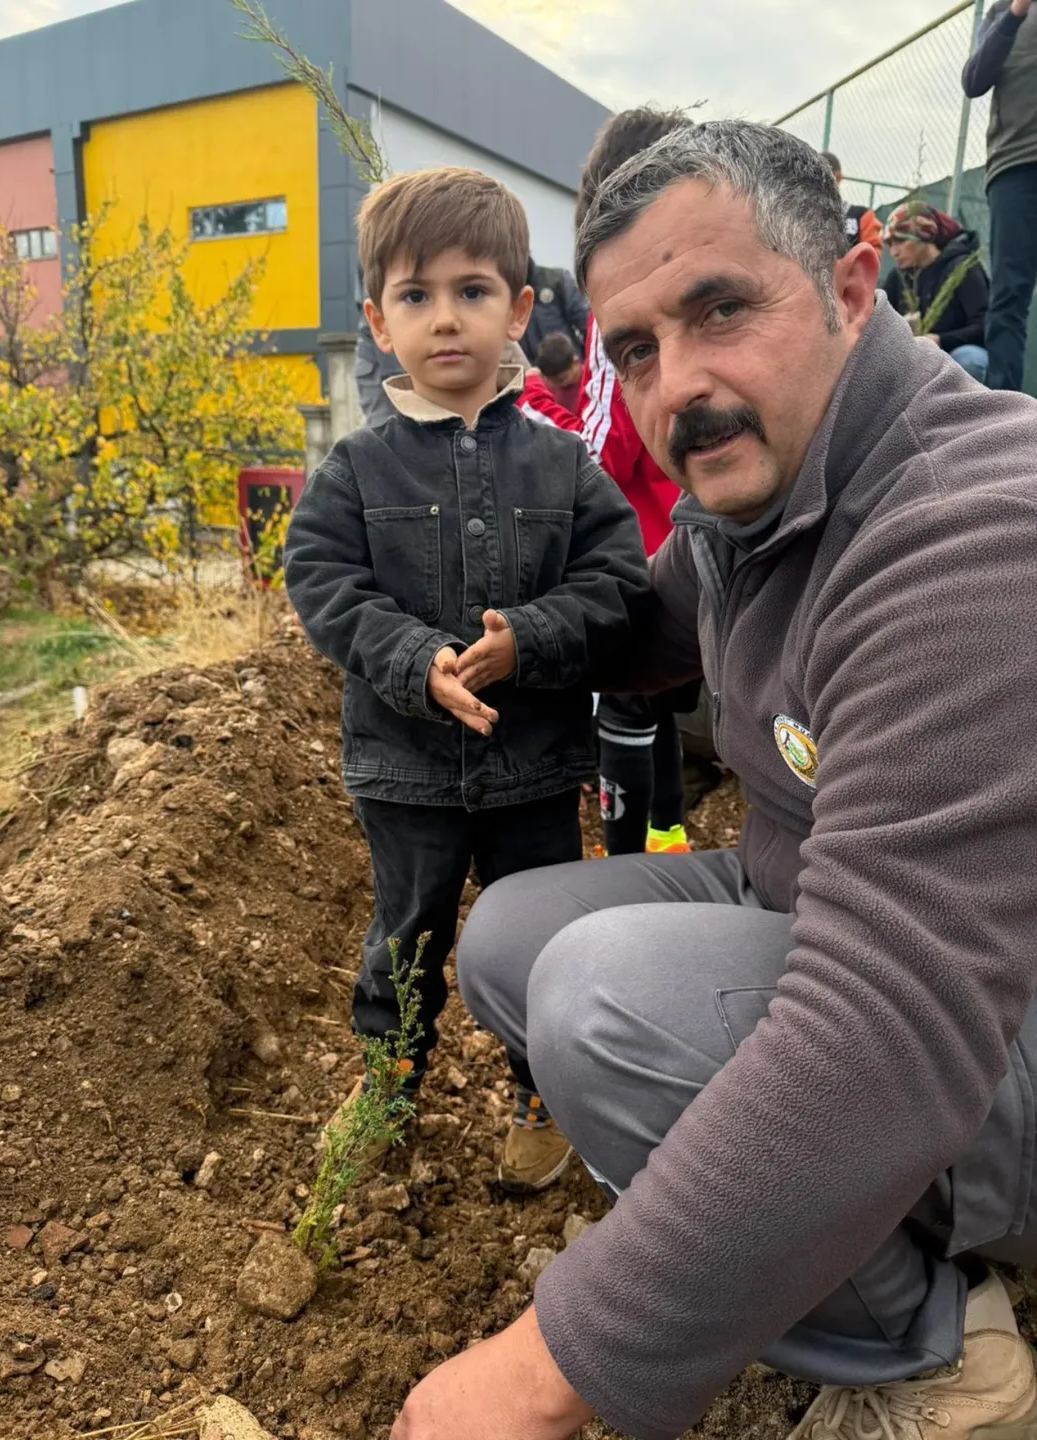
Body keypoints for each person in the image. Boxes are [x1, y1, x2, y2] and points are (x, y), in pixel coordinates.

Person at [390, 121, 1037, 1440]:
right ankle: (780, 1227)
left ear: (855, 284)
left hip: (976, 1025)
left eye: (720, 309)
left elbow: (889, 1025)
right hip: (854, 929)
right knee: (516, 942)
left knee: (602, 1006)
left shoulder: (967, 532)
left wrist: (539, 1374)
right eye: (636, 349)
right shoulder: (777, 478)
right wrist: (519, 641)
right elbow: (661, 623)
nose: (678, 384)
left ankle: (940, 1358)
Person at [284, 166, 648, 1196]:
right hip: (403, 774)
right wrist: (413, 659)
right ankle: (389, 1088)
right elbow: (320, 582)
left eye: (473, 291)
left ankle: (542, 1094)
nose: (446, 319)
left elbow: (616, 581)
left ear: (522, 311)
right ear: (378, 319)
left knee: (536, 942)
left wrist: (530, 637)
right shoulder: (356, 472)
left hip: (532, 768)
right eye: (416, 295)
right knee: (407, 937)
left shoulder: (565, 468)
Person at [520, 105, 698, 857]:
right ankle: (668, 834)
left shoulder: (621, 308)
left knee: (628, 700)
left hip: (648, 550)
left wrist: (522, 395)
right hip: (685, 536)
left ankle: (635, 864)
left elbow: (597, 449)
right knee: (657, 709)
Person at [962, 0, 1037, 391]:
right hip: (1014, 166)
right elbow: (974, 80)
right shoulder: (1001, 13)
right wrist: (1016, 12)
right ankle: (1007, 425)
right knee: (1009, 295)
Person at [883, 201, 991, 383]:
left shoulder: (963, 268)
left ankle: (964, 410)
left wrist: (941, 340)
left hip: (954, 354)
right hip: (912, 357)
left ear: (925, 236)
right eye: (890, 244)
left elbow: (985, 325)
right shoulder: (898, 277)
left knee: (970, 359)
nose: (894, 252)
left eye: (900, 241)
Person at [520, 254, 589, 364]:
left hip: (573, 367)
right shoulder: (505, 294)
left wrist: (590, 364)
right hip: (534, 374)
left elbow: (587, 323)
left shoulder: (557, 279)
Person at [822, 151, 883, 256]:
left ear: (837, 177)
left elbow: (872, 256)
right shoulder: (799, 215)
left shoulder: (861, 216)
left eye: (822, 176)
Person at [534, 331, 583, 410]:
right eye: (554, 381)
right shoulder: (545, 388)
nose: (560, 384)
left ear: (575, 362)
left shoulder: (592, 382)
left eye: (562, 379)